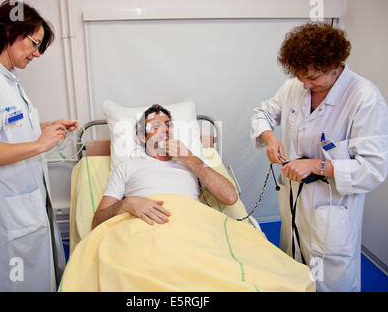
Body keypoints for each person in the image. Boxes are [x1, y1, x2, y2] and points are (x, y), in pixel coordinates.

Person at [251, 22, 388, 291]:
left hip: (332, 211)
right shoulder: (295, 86)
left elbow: (373, 169)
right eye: (301, 76)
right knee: (293, 275)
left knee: (331, 283)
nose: (305, 84)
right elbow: (262, 113)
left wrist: (316, 165)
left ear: (336, 65)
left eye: (313, 78)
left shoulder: (364, 98)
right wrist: (270, 138)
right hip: (294, 203)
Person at [0, 0, 77, 291]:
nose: (36, 54)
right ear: (10, 31)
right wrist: (39, 145)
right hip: (4, 214)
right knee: (13, 282)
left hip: (23, 206)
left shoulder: (10, 79)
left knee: (33, 279)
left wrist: (44, 128)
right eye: (34, 44)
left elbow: (8, 132)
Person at [92, 104, 238, 229]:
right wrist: (126, 204)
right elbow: (97, 223)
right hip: (144, 231)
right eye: (156, 126)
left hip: (190, 228)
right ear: (142, 136)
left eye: (168, 125)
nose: (166, 129)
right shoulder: (127, 167)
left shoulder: (192, 164)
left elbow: (230, 197)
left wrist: (191, 159)